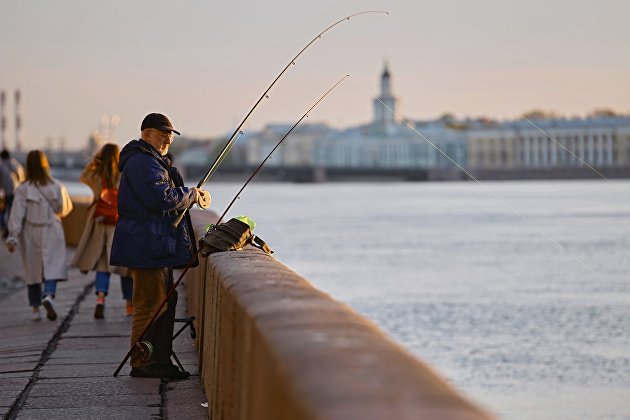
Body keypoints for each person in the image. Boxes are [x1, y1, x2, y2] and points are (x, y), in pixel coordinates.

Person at [111, 113, 210, 380]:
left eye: (170, 134)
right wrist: (191, 194)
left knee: (164, 301)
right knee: (149, 304)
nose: (167, 138)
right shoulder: (142, 162)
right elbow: (161, 198)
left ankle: (159, 361)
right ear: (146, 134)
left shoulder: (150, 161)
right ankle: (143, 363)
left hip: (154, 242)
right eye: (161, 133)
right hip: (147, 244)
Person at [5, 150, 73, 321]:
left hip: (31, 231)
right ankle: (48, 295)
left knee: (33, 270)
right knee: (53, 266)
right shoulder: (57, 185)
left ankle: (36, 310)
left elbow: (17, 214)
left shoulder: (23, 189)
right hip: (52, 229)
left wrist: (12, 236)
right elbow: (64, 209)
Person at [71, 143, 133, 319]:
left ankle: (100, 300)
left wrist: (95, 160)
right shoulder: (123, 175)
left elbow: (83, 176)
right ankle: (129, 306)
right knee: (124, 266)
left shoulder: (97, 176)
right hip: (119, 224)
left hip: (100, 223)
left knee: (102, 265)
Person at [0, 149, 25, 238]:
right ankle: (13, 230)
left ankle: (8, 229)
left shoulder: (2, 165)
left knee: (8, 211)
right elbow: (21, 176)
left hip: (8, 192)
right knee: (16, 211)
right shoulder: (15, 163)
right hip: (18, 191)